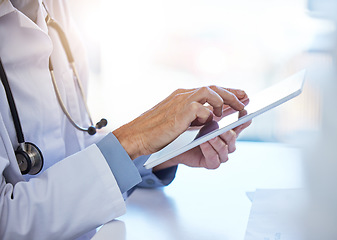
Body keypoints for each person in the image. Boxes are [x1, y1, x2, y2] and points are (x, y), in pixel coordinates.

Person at [0, 0, 251, 239]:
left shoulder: (55, 8)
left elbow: (66, 149)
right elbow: (6, 222)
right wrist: (133, 140)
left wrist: (162, 151)